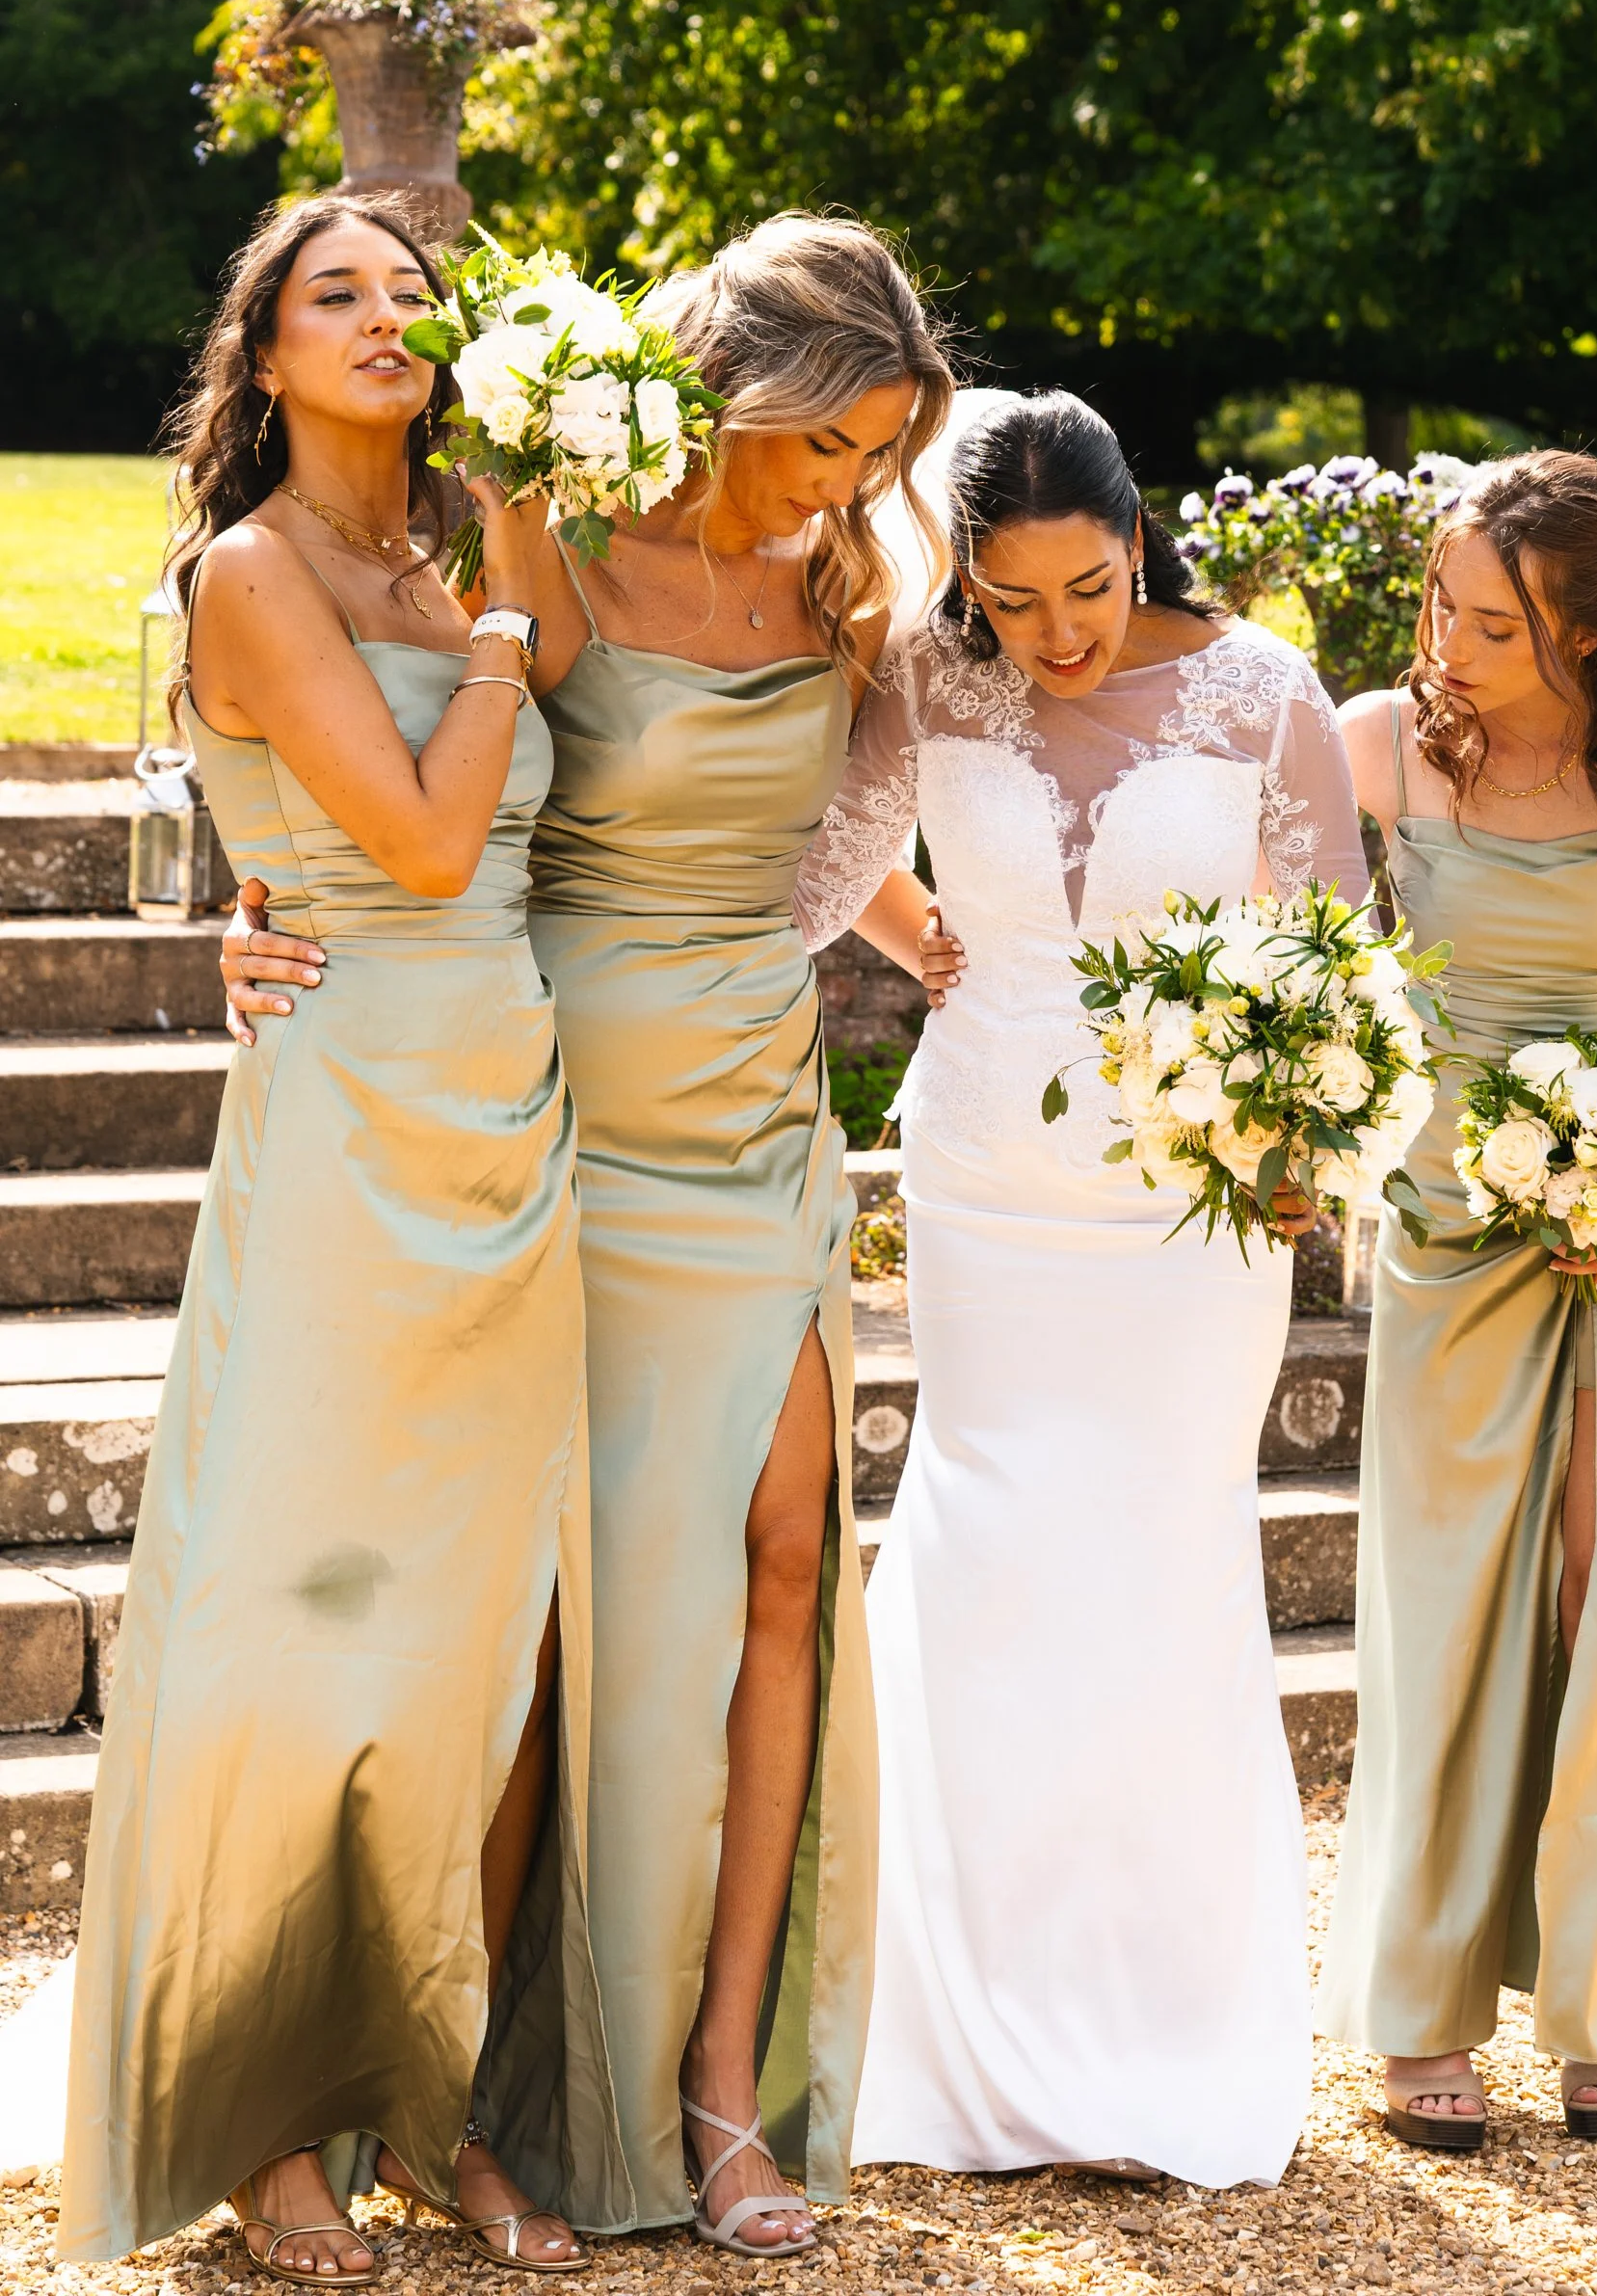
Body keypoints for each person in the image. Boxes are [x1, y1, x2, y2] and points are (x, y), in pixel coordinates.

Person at [221, 212, 955, 2259]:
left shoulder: (848, 594)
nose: (849, 489)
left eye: (880, 455)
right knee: (582, 1642)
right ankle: (498, 2091)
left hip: (767, 1117)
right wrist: (261, 922)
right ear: (742, 394)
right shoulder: (540, 538)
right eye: (828, 445)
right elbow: (405, 790)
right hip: (573, 1147)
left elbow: (932, 806)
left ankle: (722, 2083)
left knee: (794, 1559)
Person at [60, 197, 605, 2275]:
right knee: (301, 1611)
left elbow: (580, 789)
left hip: (515, 1118)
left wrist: (517, 556)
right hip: (350, 1124)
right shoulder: (260, 566)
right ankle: (263, 2116)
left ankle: (433, 2099)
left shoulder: (483, 520)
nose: (387, 318)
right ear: (262, 354)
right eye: (334, 296)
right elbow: (425, 831)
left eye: (410, 291)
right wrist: (485, 638)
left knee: (479, 1637)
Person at [789, 389, 1371, 2188]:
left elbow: (1348, 957)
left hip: (1187, 1218)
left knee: (1158, 1558)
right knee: (985, 1545)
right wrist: (914, 929)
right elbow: (807, 861)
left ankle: (1161, 2019)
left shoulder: (1265, 693)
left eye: (1090, 591)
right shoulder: (922, 677)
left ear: (1143, 539)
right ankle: (954, 2018)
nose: (1057, 637)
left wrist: (1303, 1140)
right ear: (964, 578)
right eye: (1015, 599)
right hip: (985, 1181)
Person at [1317, 449, 1597, 2149]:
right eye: (1438, 600)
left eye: (1489, 620)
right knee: (1440, 1608)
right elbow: (1286, 941)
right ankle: (1420, 2005)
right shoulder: (1379, 745)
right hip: (1446, 1229)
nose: (1446, 638)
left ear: (1581, 630)